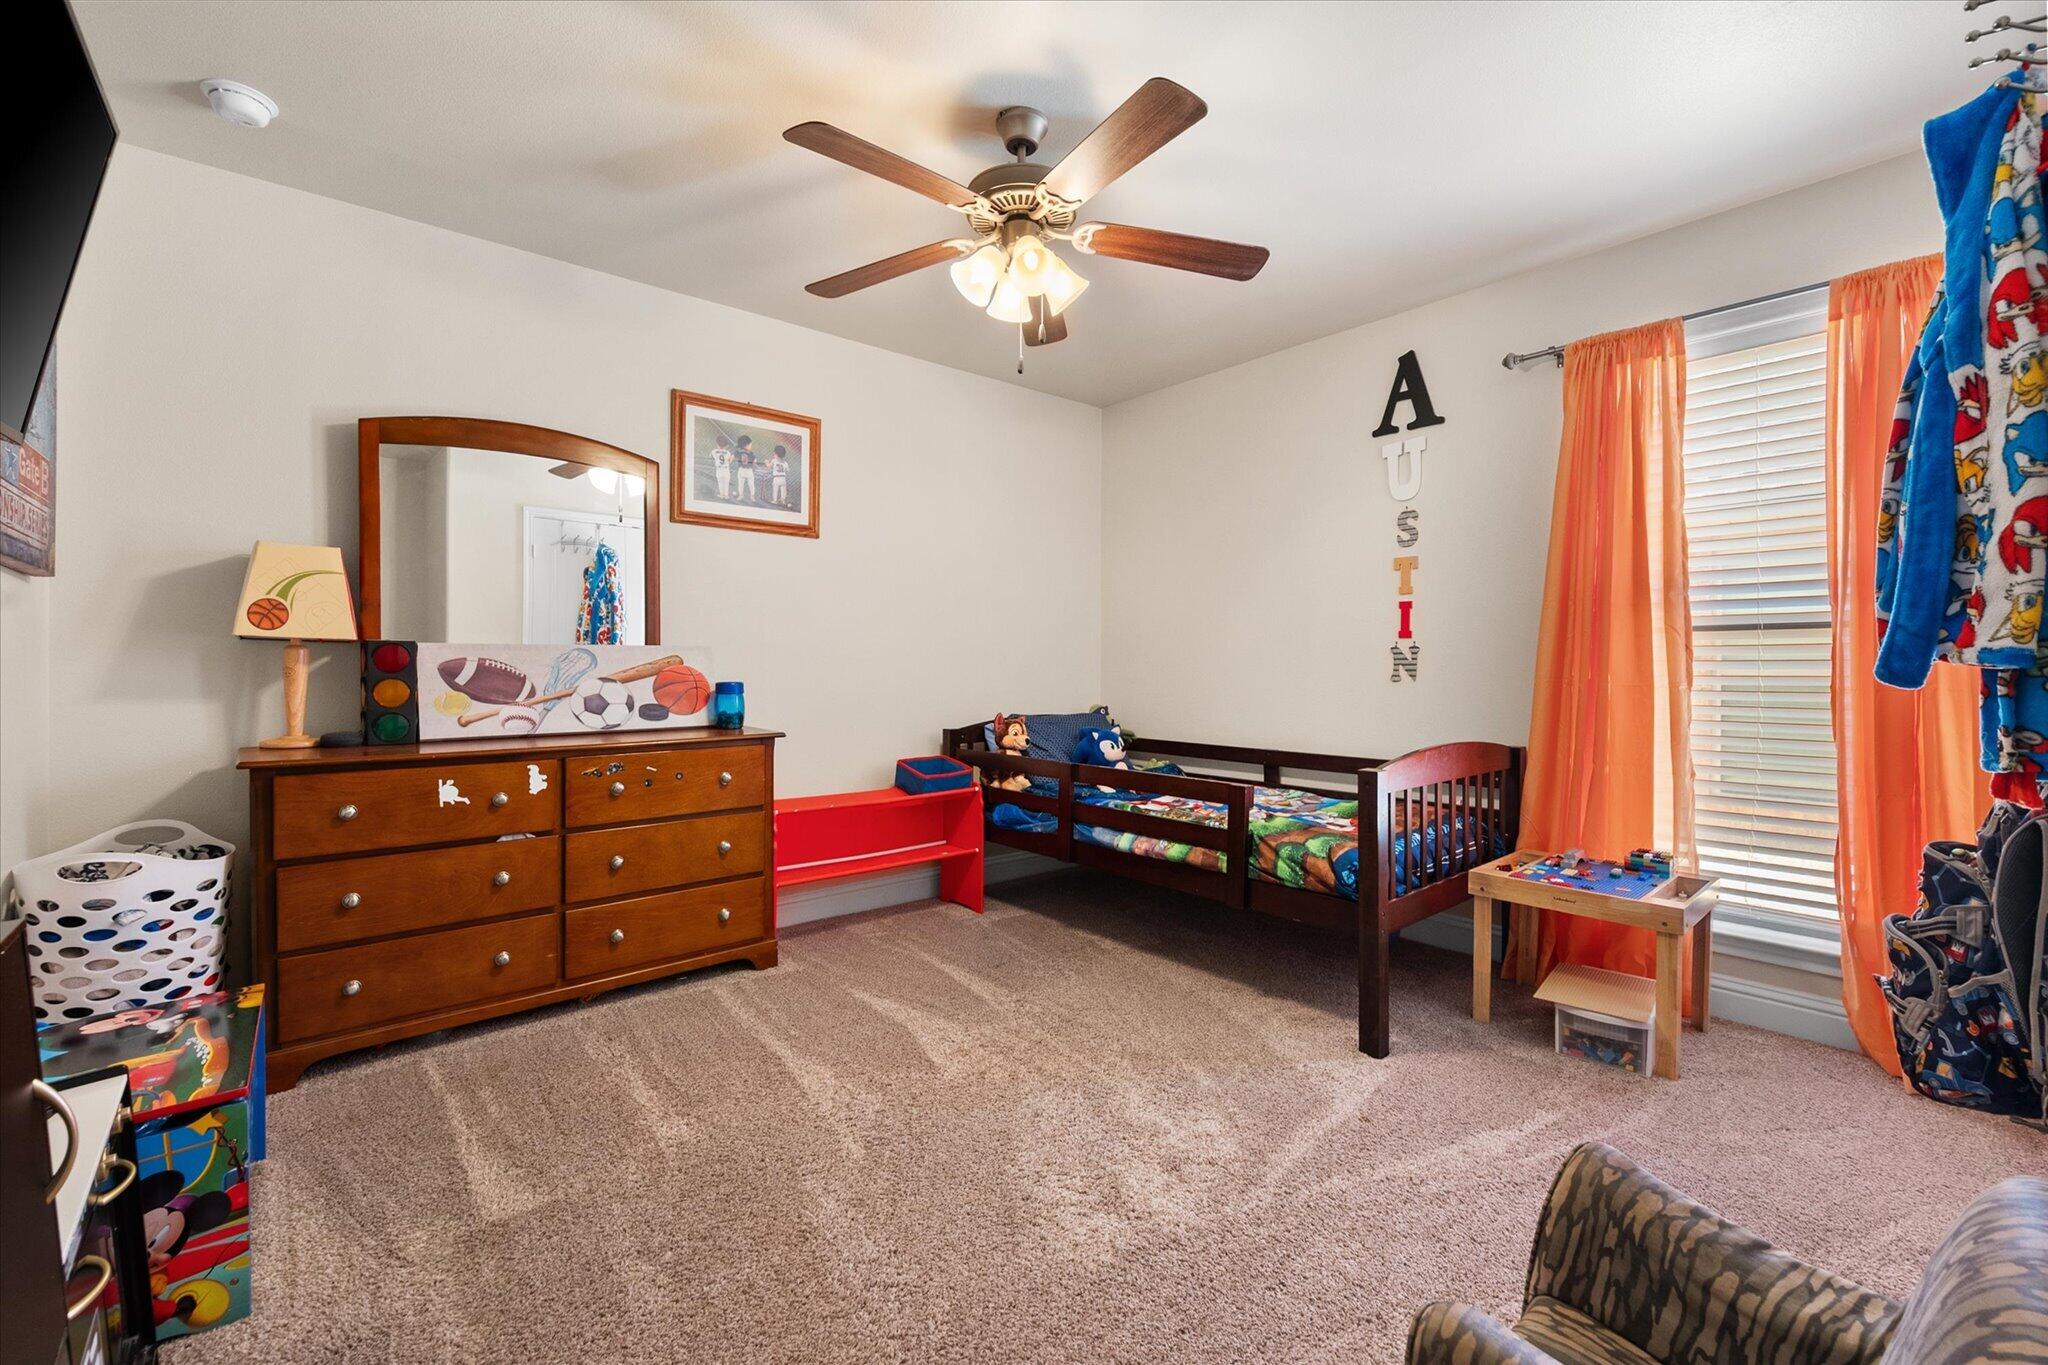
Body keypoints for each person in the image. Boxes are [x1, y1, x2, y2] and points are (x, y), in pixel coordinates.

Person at [734, 435, 757, 503]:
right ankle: (752, 496)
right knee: (751, 484)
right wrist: (754, 467)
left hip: (741, 470)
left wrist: (738, 449)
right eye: (750, 445)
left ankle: (741, 495)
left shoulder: (738, 451)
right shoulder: (751, 453)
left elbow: (735, 456)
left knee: (741, 484)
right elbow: (754, 461)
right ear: (746, 445)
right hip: (749, 470)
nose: (751, 446)